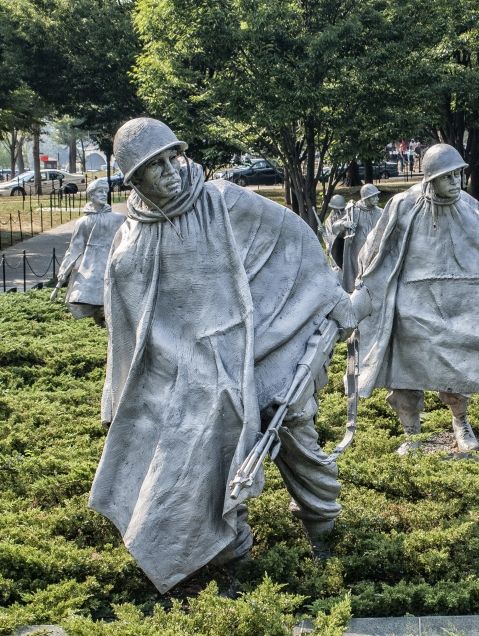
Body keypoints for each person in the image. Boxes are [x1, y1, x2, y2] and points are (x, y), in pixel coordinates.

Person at [88, 118, 358, 593]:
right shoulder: (131, 240)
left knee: (292, 436)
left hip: (261, 354)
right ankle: (232, 559)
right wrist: (121, 398)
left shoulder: (223, 200)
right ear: (135, 180)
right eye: (156, 166)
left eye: (174, 157)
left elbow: (294, 244)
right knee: (202, 461)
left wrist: (325, 302)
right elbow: (128, 329)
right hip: (188, 377)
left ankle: (326, 535)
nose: (171, 171)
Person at [351, 144, 479, 454]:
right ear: (431, 178)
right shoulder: (403, 204)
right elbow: (376, 248)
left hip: (457, 304)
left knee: (456, 369)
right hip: (412, 305)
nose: (456, 181)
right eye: (448, 176)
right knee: (403, 374)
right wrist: (365, 284)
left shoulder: (471, 207)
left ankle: (461, 423)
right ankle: (412, 435)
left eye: (458, 174)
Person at [51, 178, 125, 326]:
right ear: (91, 195)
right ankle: (101, 320)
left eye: (105, 191)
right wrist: (61, 278)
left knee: (114, 303)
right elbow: (74, 250)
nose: (104, 194)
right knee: (98, 304)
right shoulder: (82, 222)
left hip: (113, 265)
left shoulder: (119, 219)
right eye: (99, 191)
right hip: (92, 270)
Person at [325, 184, 384, 292]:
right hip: (356, 251)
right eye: (374, 196)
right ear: (366, 198)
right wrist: (344, 224)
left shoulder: (380, 212)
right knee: (357, 276)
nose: (377, 198)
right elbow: (335, 227)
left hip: (374, 251)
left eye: (377, 196)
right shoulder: (354, 211)